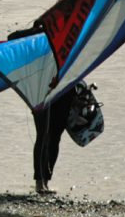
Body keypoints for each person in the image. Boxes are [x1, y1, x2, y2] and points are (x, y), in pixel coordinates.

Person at [8, 23, 77, 195]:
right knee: (43, 134)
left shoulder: (74, 34)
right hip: (41, 93)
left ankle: (46, 180)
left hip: (65, 91)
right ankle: (39, 182)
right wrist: (41, 29)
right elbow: (12, 38)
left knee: (55, 137)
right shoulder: (41, 36)